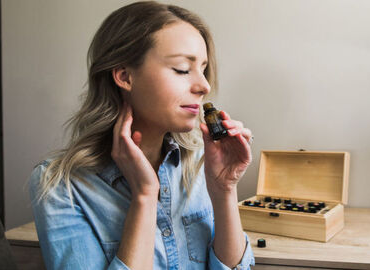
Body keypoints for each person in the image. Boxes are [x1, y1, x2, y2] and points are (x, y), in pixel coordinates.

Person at [28, 1, 255, 269]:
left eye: (203, 69)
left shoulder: (202, 163)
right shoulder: (60, 187)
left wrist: (224, 189)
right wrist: (145, 197)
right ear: (125, 76)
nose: (204, 85)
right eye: (182, 68)